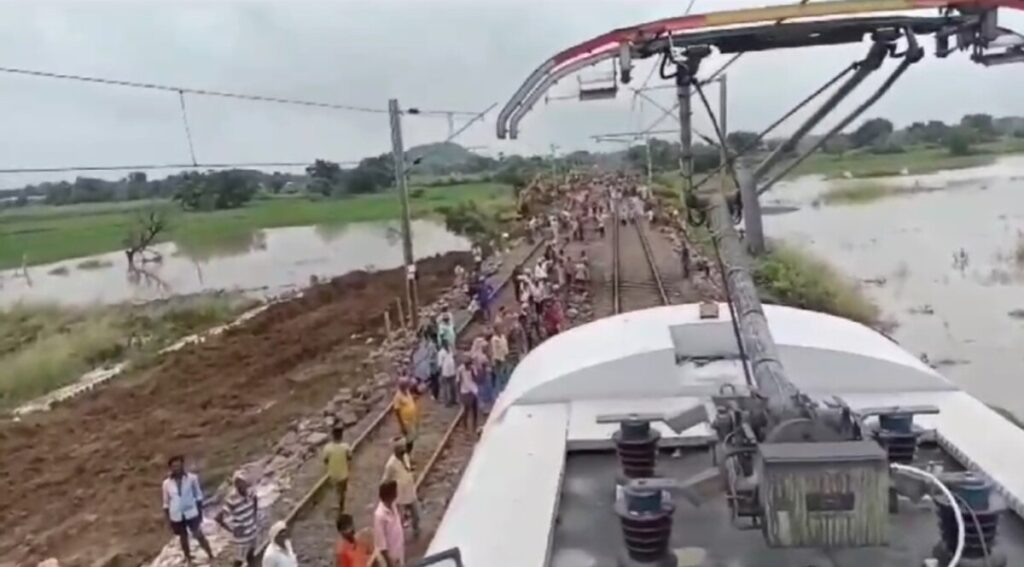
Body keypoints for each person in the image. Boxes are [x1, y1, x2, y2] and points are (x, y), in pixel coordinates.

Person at [162, 455, 214, 565]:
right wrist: (168, 520)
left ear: (182, 465)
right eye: (173, 466)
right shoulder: (166, 484)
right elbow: (166, 502)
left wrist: (200, 513)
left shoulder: (192, 478)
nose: (176, 468)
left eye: (178, 465)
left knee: (198, 534)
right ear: (170, 468)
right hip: (176, 515)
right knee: (183, 537)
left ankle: (210, 554)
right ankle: (188, 558)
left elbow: (198, 496)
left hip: (191, 512)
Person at [216, 471, 259, 567]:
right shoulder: (232, 499)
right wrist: (232, 529)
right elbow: (218, 518)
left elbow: (255, 500)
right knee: (239, 560)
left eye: (244, 481)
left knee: (251, 554)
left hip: (252, 530)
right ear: (236, 484)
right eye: (240, 482)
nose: (243, 484)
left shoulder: (250, 492)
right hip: (242, 536)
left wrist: (254, 517)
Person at [381, 439, 421, 537]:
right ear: (396, 450)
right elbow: (385, 480)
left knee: (416, 515)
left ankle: (416, 529)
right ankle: (399, 536)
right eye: (401, 449)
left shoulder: (406, 457)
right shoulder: (390, 465)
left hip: (410, 491)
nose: (403, 451)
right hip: (400, 496)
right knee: (400, 519)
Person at [374, 480, 406, 567]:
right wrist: (389, 563)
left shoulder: (393, 505)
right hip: (391, 557)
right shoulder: (380, 515)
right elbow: (381, 544)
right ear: (389, 495)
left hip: (399, 550)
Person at [323, 425, 352, 513]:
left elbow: (325, 460)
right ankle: (341, 506)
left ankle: (337, 502)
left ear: (332, 435)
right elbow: (350, 457)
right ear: (342, 436)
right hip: (343, 474)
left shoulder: (327, 448)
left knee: (336, 488)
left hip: (332, 474)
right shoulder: (346, 447)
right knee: (342, 491)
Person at [392, 380, 419, 454]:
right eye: (406, 385)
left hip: (412, 419)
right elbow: (397, 411)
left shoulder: (407, 392)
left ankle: (408, 455)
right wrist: (402, 425)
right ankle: (406, 455)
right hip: (405, 421)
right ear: (402, 387)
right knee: (408, 440)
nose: (407, 386)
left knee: (411, 438)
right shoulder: (398, 396)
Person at [457, 359, 479, 432]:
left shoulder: (473, 368)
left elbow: (476, 379)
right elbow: (458, 381)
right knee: (466, 409)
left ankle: (474, 425)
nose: (468, 367)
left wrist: (472, 372)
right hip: (465, 391)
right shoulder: (460, 370)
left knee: (474, 409)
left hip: (473, 390)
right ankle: (465, 425)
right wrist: (459, 393)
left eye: (470, 366)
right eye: (467, 366)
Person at [437, 342, 457, 407]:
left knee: (453, 386)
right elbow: (440, 364)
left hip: (452, 371)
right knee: (445, 388)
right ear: (443, 345)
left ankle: (454, 400)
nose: (447, 346)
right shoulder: (441, 353)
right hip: (445, 372)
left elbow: (453, 357)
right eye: (445, 345)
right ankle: (446, 402)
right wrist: (440, 373)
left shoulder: (450, 349)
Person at [490, 328, 510, 393]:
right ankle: (500, 388)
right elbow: (494, 349)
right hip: (498, 358)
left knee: (505, 371)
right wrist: (495, 358)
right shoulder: (494, 339)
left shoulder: (503, 337)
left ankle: (505, 385)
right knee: (499, 373)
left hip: (504, 356)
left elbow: (505, 346)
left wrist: (506, 353)